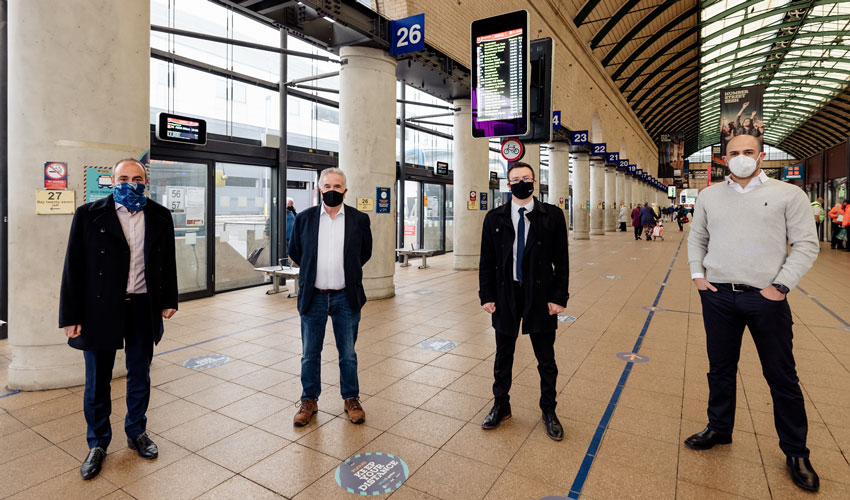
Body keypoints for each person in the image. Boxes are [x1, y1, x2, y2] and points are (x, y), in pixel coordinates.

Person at [686, 134, 820, 492]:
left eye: (748, 152)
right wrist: (698, 275)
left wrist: (780, 287)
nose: (741, 158)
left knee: (781, 375)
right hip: (717, 295)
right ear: (722, 159)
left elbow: (807, 244)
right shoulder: (709, 196)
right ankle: (719, 428)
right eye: (733, 153)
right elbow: (697, 237)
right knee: (720, 368)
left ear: (762, 156)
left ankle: (795, 451)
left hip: (767, 299)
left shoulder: (789, 195)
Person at [59, 158, 178, 480]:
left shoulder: (159, 215)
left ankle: (137, 431)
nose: (130, 182)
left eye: (136, 177)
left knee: (140, 373)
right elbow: (73, 267)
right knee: (98, 379)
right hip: (99, 308)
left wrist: (169, 300)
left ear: (146, 182)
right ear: (112, 181)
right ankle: (97, 443)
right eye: (123, 177)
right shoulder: (89, 214)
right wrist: (69, 316)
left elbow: (167, 261)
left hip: (142, 305)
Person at [478, 161, 568, 441]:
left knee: (546, 358)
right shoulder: (495, 218)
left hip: (540, 296)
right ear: (508, 184)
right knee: (503, 355)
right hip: (506, 295)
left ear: (534, 181)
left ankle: (549, 411)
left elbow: (562, 261)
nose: (520, 182)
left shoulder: (551, 216)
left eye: (525, 178)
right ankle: (501, 405)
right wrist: (487, 295)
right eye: (515, 179)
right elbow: (486, 262)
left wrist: (558, 297)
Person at [288, 168, 372, 427]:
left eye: (337, 186)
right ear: (319, 189)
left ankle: (351, 398)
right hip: (313, 297)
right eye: (327, 186)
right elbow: (296, 252)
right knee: (310, 353)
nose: (332, 190)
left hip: (346, 297)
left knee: (347, 353)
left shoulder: (359, 220)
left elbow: (365, 253)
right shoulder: (304, 219)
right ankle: (308, 400)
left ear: (345, 191)